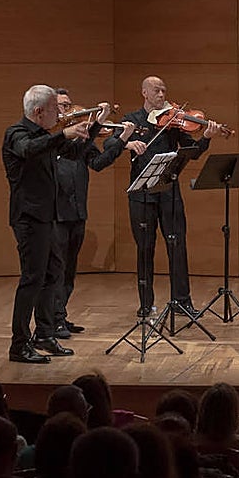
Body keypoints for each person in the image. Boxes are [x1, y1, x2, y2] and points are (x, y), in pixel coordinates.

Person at [2, 84, 104, 364]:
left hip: (47, 218)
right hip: (29, 219)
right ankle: (19, 344)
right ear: (38, 111)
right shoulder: (18, 135)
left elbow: (73, 154)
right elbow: (29, 150)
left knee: (51, 276)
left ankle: (44, 334)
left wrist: (94, 127)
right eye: (53, 110)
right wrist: (62, 134)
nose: (59, 115)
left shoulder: (45, 136)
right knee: (32, 280)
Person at [122, 75, 220, 318]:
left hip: (169, 192)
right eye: (157, 90)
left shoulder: (173, 123)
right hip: (141, 195)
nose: (162, 95)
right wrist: (127, 144)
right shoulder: (132, 121)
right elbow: (113, 142)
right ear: (144, 92)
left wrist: (205, 137)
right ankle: (146, 304)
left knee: (177, 246)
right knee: (145, 248)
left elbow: (193, 152)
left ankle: (182, 301)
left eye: (164, 90)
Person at [53, 88, 139, 339]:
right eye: (62, 106)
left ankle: (61, 316)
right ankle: (52, 320)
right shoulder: (53, 138)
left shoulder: (81, 142)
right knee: (56, 271)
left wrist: (122, 139)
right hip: (57, 214)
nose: (68, 110)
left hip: (78, 212)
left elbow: (99, 164)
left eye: (69, 105)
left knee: (69, 271)